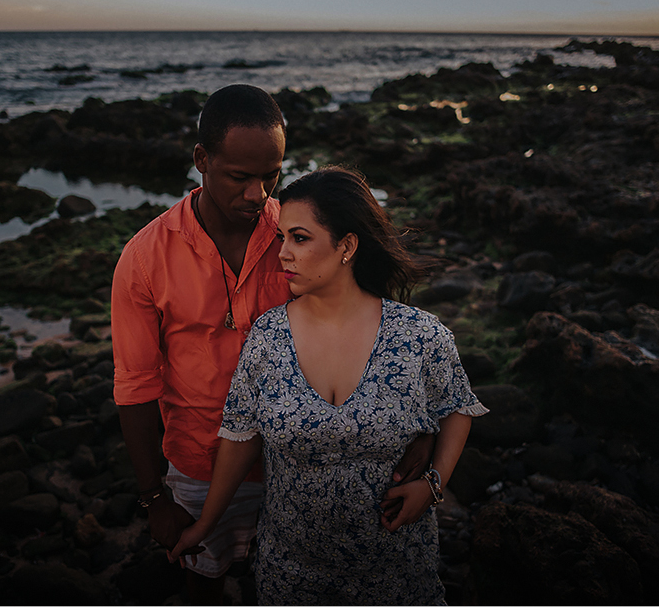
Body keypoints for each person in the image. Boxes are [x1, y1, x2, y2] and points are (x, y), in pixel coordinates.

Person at [112, 86, 433, 604]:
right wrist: (155, 498)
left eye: (271, 176)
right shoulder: (145, 258)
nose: (257, 195)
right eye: (239, 177)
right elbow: (135, 384)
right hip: (200, 459)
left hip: (307, 453)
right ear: (201, 160)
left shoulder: (300, 231)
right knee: (204, 580)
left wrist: (419, 425)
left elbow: (369, 321)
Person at [168, 166, 489, 605]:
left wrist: (434, 484)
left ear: (347, 246)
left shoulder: (419, 336)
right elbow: (240, 436)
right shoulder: (268, 337)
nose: (282, 254)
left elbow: (457, 407)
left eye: (299, 238)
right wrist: (205, 524)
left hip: (396, 575)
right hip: (292, 575)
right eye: (281, 237)